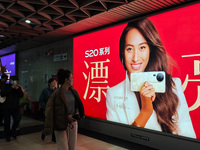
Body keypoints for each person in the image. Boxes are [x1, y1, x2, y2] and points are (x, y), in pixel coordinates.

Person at [106, 18, 196, 138]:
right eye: (129, 49)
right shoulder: (113, 93)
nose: (135, 58)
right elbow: (116, 140)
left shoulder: (172, 85)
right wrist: (145, 111)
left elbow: (187, 135)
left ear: (150, 50)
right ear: (122, 52)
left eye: (142, 47)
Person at [43, 69, 85, 150]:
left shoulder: (74, 92)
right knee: (63, 147)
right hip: (60, 124)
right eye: (71, 78)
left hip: (73, 123)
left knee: (72, 147)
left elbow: (77, 105)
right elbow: (50, 112)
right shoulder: (56, 95)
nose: (73, 80)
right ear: (66, 80)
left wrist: (77, 113)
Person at [0, 75, 24, 142]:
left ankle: (12, 132)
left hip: (15, 107)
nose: (15, 82)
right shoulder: (6, 86)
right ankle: (7, 135)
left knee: (17, 119)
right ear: (10, 80)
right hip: (6, 107)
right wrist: (11, 88)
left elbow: (21, 95)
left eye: (16, 81)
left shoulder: (18, 87)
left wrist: (18, 89)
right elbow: (2, 94)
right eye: (13, 81)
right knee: (7, 122)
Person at [39, 77, 57, 142]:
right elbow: (41, 100)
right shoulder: (45, 90)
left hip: (54, 110)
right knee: (46, 123)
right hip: (47, 110)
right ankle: (43, 134)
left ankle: (54, 138)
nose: (55, 83)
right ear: (49, 83)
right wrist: (45, 107)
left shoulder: (57, 90)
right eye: (53, 82)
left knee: (54, 124)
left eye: (55, 82)